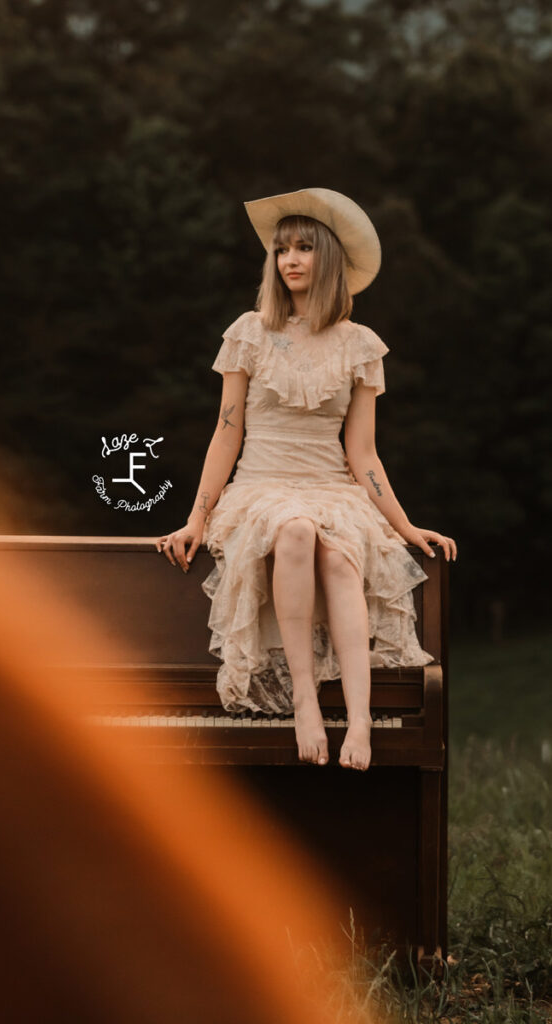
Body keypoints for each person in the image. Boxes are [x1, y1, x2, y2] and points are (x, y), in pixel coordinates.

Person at [156, 187, 457, 772]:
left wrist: (405, 524)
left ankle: (362, 717)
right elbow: (227, 433)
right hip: (261, 486)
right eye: (281, 249)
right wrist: (197, 517)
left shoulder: (360, 345)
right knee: (294, 530)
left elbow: (363, 453)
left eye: (303, 249)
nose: (290, 259)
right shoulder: (248, 331)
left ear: (328, 261)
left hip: (331, 485)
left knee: (342, 551)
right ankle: (304, 700)